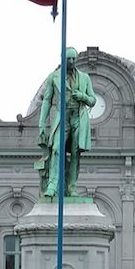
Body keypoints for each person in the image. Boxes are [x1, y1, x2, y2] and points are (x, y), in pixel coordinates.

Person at [37, 46, 96, 198]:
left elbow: (92, 100)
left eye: (73, 59)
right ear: (63, 59)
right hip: (62, 117)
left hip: (78, 116)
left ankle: (72, 188)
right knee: (57, 149)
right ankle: (52, 185)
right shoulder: (54, 77)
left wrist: (82, 96)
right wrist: (42, 123)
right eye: (68, 59)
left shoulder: (85, 78)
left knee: (75, 153)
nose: (71, 62)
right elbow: (47, 100)